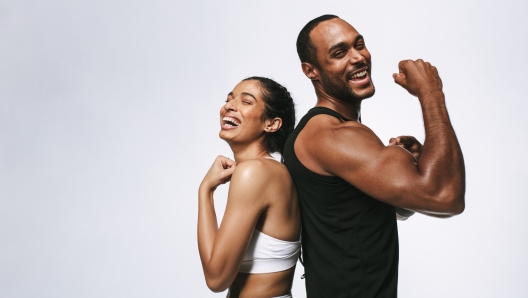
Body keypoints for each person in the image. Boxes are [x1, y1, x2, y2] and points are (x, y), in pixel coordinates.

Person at [282, 15, 465, 297]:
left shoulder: (331, 131)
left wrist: (415, 169)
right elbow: (446, 197)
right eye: (339, 53)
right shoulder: (333, 135)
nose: (358, 57)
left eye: (360, 45)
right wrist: (431, 93)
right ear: (311, 70)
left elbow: (389, 209)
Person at [198, 77, 300, 298]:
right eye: (229, 99)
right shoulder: (272, 171)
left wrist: (205, 191)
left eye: (246, 102)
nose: (229, 106)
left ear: (271, 124)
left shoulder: (254, 173)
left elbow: (216, 279)